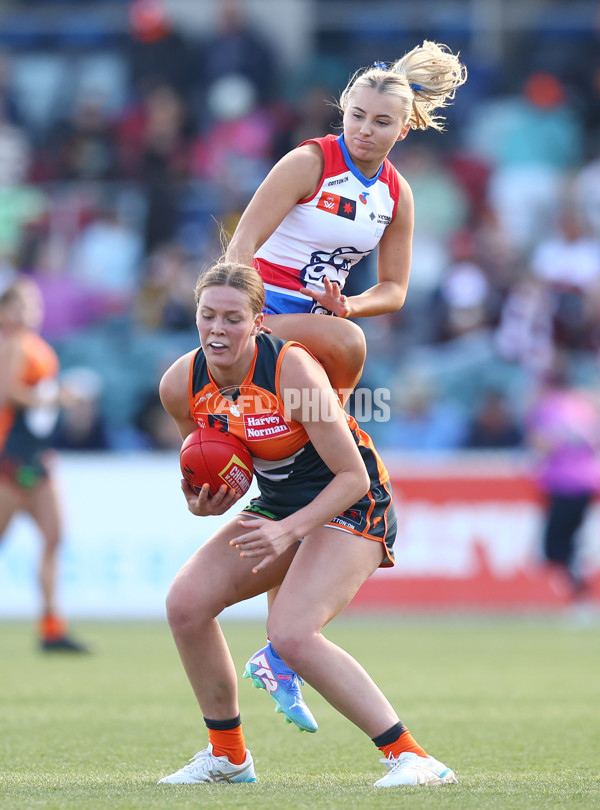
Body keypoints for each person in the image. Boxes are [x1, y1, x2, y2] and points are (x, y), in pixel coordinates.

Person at [224, 40, 467, 720]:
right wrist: (237, 327)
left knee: (309, 486)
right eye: (355, 115)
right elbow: (238, 251)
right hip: (260, 324)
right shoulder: (309, 161)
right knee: (348, 351)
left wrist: (346, 302)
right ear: (343, 112)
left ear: (405, 127)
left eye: (380, 122)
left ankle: (279, 653)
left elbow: (392, 289)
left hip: (310, 334)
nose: (364, 129)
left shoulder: (395, 195)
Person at [157, 261, 457, 787]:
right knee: (185, 604)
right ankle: (228, 756)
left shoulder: (291, 372)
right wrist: (206, 502)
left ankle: (414, 758)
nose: (217, 330)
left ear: (258, 323)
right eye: (207, 317)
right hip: (280, 506)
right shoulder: (181, 384)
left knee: (292, 634)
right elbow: (215, 464)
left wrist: (288, 530)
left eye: (232, 318)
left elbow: (353, 476)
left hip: (353, 504)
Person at [0, 277, 89, 652]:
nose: (30, 311)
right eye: (21, 304)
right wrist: (52, 399)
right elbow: (7, 392)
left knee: (54, 537)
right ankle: (51, 626)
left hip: (35, 455)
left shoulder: (35, 346)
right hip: (11, 456)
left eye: (33, 303)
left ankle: (52, 626)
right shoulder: (11, 344)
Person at [526, 360, 600, 602]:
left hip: (564, 483)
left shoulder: (548, 408)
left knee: (555, 544)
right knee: (566, 539)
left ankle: (579, 588)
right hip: (586, 482)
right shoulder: (583, 405)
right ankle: (577, 585)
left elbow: (542, 444)